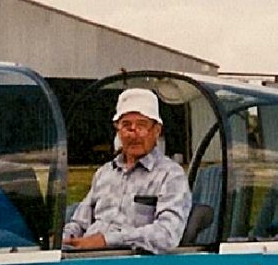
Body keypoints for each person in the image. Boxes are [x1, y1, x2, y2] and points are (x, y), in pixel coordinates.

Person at [63, 88, 192, 254]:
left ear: (156, 130)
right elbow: (79, 223)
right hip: (85, 260)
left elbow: (167, 234)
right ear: (118, 130)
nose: (133, 134)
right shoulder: (104, 173)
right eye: (126, 126)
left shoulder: (171, 175)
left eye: (141, 125)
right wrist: (63, 241)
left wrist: (106, 240)